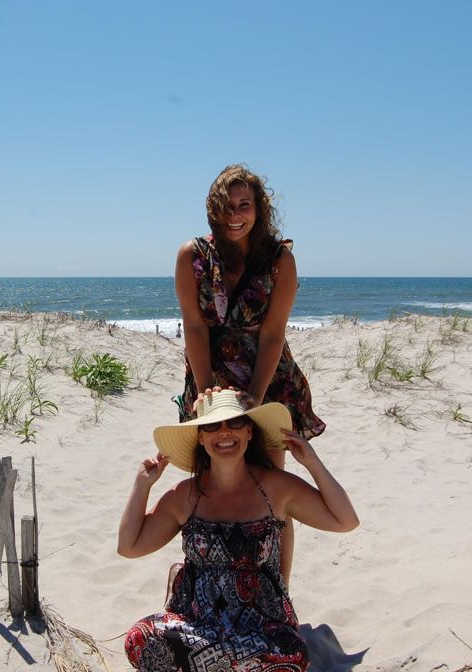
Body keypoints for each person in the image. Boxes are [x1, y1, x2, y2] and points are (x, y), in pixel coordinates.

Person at [118, 389, 358, 672]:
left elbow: (345, 520)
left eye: (234, 423)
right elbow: (129, 547)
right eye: (212, 426)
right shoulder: (186, 495)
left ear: (248, 432)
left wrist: (312, 463)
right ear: (201, 437)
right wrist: (142, 486)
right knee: (139, 638)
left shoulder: (277, 487)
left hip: (263, 630)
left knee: (289, 656)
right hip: (196, 625)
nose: (224, 433)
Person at [175, 164, 325, 582]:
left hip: (268, 380)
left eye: (244, 205)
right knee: (211, 485)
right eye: (226, 206)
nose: (235, 214)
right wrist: (207, 398)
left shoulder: (280, 260)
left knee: (272, 490)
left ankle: (280, 593)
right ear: (213, 210)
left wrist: (256, 401)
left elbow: (274, 333)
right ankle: (210, 586)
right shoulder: (193, 256)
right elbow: (194, 327)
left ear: (259, 208)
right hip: (211, 378)